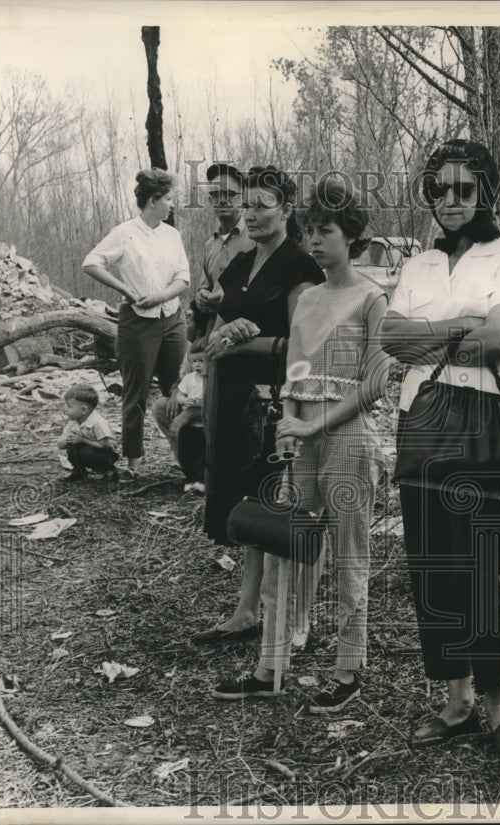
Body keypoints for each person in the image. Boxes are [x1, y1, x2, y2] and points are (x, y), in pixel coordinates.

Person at [378, 139, 500, 751]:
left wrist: (433, 339)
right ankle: (457, 699)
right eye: (440, 189)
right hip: (421, 422)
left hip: (487, 420)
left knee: (479, 569)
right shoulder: (419, 265)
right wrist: (456, 329)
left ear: (486, 194)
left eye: (464, 190)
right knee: (432, 570)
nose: (450, 201)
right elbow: (391, 339)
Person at [212, 179, 389, 711]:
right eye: (309, 230)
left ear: (351, 237)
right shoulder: (308, 297)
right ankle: (271, 665)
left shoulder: (371, 297)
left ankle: (349, 667)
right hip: (300, 434)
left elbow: (376, 382)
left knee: (348, 551)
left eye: (326, 231)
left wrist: (317, 425)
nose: (314, 241)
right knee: (282, 544)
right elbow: (295, 370)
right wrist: (290, 421)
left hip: (349, 437)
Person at [193, 165, 326, 645]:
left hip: (276, 404)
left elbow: (304, 346)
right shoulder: (237, 263)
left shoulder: (299, 266)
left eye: (260, 206)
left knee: (276, 504)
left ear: (287, 209)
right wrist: (215, 326)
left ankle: (288, 615)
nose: (248, 214)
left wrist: (247, 343)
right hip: (232, 404)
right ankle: (247, 610)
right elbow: (214, 332)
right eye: (245, 205)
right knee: (246, 504)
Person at [82, 169, 190, 483]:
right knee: (136, 393)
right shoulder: (124, 232)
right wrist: (126, 291)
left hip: (172, 319)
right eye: (168, 198)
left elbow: (184, 278)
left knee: (178, 390)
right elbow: (90, 262)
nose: (172, 204)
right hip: (137, 324)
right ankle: (134, 463)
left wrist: (160, 295)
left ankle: (186, 458)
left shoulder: (172, 234)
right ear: (153, 200)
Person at [190, 163, 255, 347]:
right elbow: (204, 287)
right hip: (213, 337)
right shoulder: (209, 245)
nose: (223, 200)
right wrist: (201, 297)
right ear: (210, 201)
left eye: (230, 194)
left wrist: (228, 299)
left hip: (246, 335)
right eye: (216, 195)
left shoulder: (255, 238)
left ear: (242, 198)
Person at [152, 349, 206, 493]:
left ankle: (204, 477)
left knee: (202, 447)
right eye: (195, 361)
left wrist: (191, 414)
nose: (197, 364)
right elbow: (180, 381)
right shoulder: (193, 348)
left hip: (212, 414)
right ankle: (185, 469)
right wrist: (177, 395)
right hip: (191, 413)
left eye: (201, 361)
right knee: (161, 407)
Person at [56, 384, 118, 482]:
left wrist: (83, 440)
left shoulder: (98, 423)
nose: (65, 408)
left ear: (83, 410)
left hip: (106, 453)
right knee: (72, 447)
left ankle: (109, 470)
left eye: (69, 406)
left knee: (87, 453)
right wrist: (67, 438)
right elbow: (60, 445)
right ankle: (79, 471)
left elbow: (106, 445)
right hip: (89, 449)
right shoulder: (73, 422)